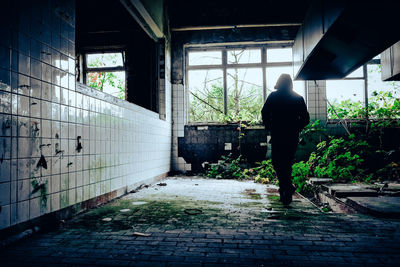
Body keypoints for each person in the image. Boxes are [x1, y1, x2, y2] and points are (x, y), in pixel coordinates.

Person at [261, 74, 310, 206]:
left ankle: (285, 187)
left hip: (277, 135)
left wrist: (270, 127)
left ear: (279, 82)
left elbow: (264, 113)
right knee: (287, 163)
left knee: (277, 162)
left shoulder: (273, 96)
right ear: (290, 84)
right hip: (291, 136)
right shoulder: (298, 98)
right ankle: (286, 187)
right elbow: (306, 119)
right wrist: (296, 127)